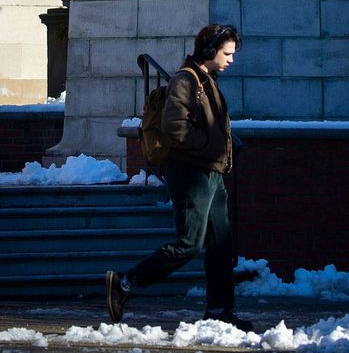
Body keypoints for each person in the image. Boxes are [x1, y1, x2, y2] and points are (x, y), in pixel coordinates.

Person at [106, 23, 253, 331]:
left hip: (211, 172)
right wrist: (209, 148)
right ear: (210, 50)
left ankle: (220, 311)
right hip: (191, 172)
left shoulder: (206, 79)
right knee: (189, 243)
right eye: (227, 53)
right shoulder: (185, 81)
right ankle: (126, 282)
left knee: (221, 244)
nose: (231, 59)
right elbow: (176, 129)